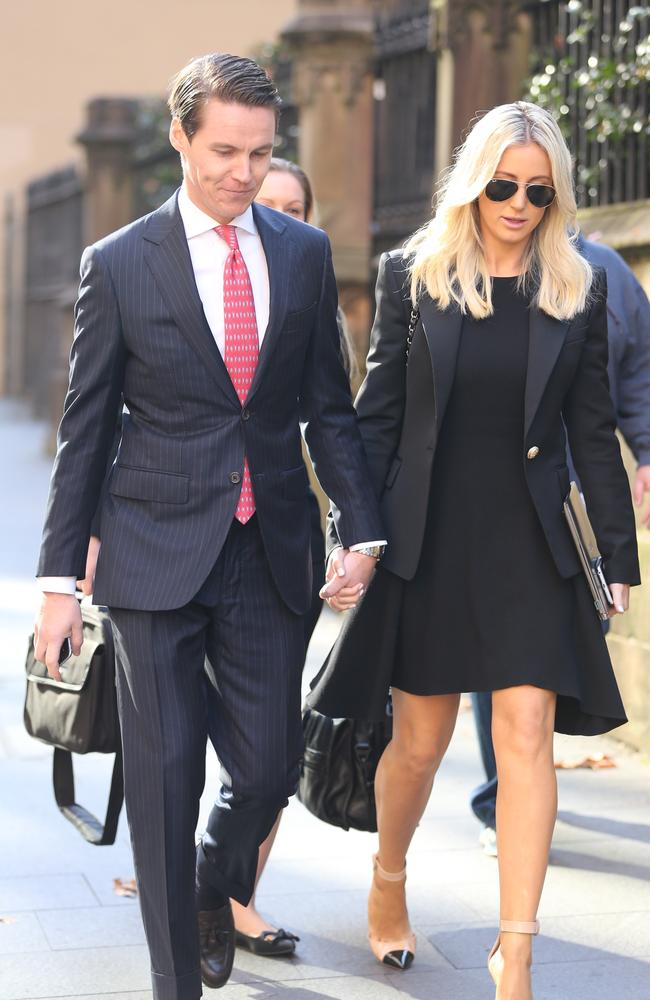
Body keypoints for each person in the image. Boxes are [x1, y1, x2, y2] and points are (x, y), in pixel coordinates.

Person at [34, 53, 384, 998]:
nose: (241, 171)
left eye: (260, 153)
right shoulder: (117, 263)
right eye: (223, 150)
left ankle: (207, 885)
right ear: (180, 136)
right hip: (151, 553)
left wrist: (361, 528)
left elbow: (329, 409)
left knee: (270, 765)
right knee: (164, 775)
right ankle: (172, 981)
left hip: (268, 551)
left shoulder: (303, 256)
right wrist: (59, 584)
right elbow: (85, 430)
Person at [309, 101, 640, 1000]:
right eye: (502, 185)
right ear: (473, 185)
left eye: (538, 190)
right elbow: (375, 424)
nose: (519, 203)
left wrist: (617, 560)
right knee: (419, 742)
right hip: (432, 539)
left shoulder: (578, 285)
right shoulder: (414, 276)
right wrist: (358, 536)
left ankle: (516, 954)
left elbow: (592, 426)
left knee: (526, 731)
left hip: (531, 543)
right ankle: (389, 876)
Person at [470, 234, 650, 856]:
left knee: (554, 661)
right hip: (490, 512)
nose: (523, 199)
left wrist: (647, 450)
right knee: (496, 669)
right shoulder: (464, 265)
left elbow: (634, 372)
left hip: (573, 518)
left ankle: (521, 788)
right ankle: (504, 797)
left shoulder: (605, 275)